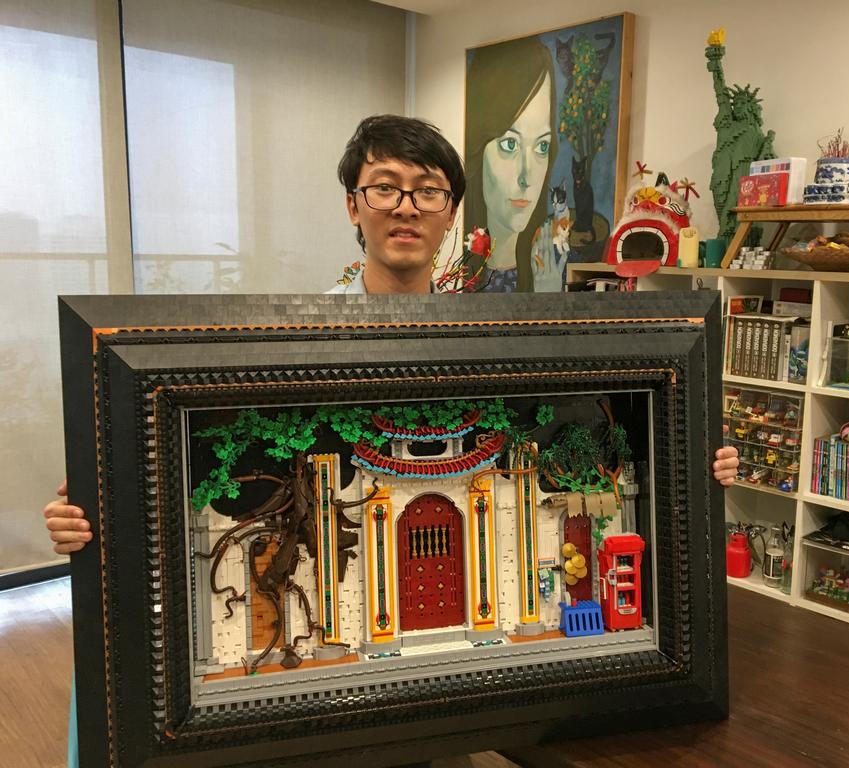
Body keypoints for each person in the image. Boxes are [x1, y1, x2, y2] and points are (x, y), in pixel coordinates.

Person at [43, 114, 739, 767]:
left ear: (451, 211)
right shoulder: (284, 345)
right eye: (385, 187)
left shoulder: (503, 340)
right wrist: (102, 498)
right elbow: (183, 453)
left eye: (428, 190)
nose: (406, 207)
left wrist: (691, 458)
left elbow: (591, 425)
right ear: (354, 205)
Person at [463, 37, 567, 293]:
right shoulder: (452, 262)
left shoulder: (557, 263)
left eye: (541, 147)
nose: (527, 176)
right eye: (510, 144)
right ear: (478, 148)